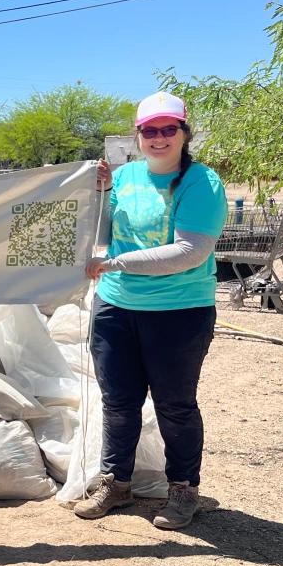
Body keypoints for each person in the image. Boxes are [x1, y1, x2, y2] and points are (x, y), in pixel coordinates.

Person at [78, 91, 227, 529]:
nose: (158, 138)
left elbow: (190, 251)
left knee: (175, 405)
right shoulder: (125, 177)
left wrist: (116, 263)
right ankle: (115, 484)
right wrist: (100, 193)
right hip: (116, 306)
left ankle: (182, 489)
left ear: (184, 133)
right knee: (118, 402)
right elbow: (103, 230)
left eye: (168, 129)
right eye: (149, 130)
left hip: (179, 312)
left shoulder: (202, 182)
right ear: (137, 136)